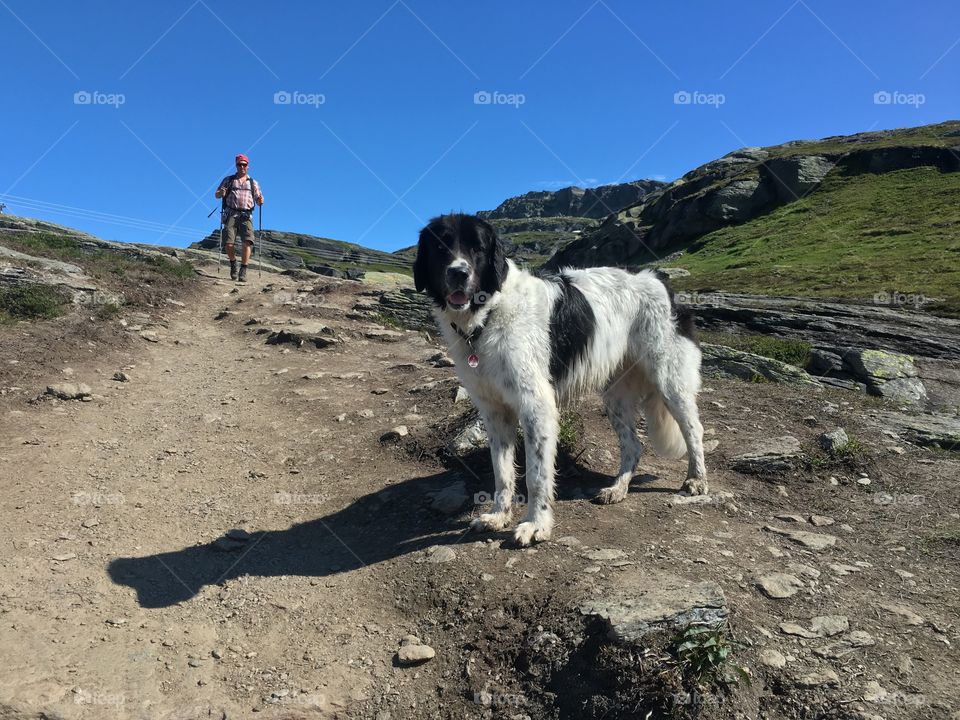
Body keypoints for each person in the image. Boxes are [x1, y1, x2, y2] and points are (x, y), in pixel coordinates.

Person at [216, 154, 264, 282]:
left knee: (247, 242)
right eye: (239, 164)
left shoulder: (253, 182)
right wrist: (221, 193)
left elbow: (259, 199)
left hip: (246, 215)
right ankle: (233, 264)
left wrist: (260, 200)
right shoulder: (229, 180)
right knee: (228, 243)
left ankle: (243, 269)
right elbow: (217, 194)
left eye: (244, 164)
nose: (242, 166)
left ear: (248, 166)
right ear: (236, 165)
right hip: (231, 214)